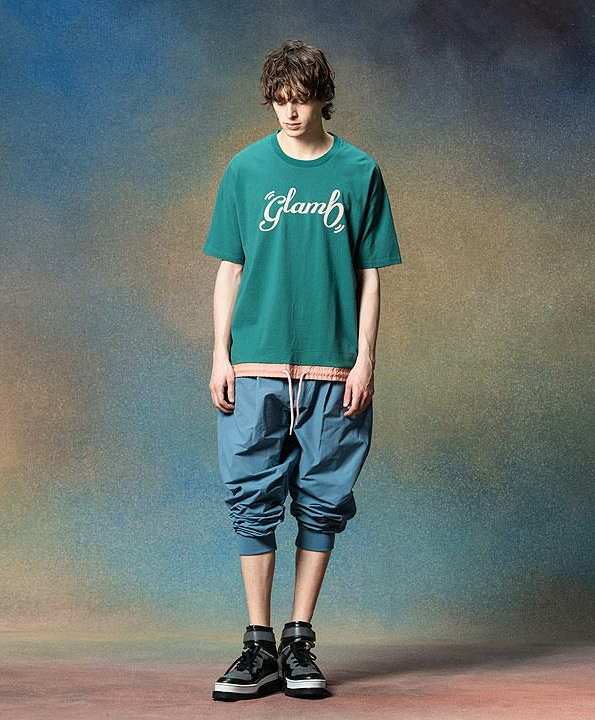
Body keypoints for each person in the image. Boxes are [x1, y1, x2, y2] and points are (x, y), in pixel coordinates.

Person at [203, 40, 402, 701]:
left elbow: (371, 275)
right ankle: (258, 644)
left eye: (302, 99)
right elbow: (229, 268)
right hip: (255, 364)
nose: (290, 112)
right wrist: (220, 354)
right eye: (280, 101)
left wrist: (365, 358)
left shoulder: (359, 171)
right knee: (250, 497)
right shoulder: (245, 169)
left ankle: (298, 638)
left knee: (324, 498)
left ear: (322, 98)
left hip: (333, 368)